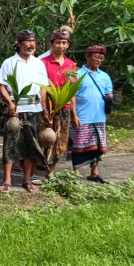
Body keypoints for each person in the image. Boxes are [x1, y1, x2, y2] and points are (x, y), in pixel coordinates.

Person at [0, 30, 50, 193]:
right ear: (19, 43)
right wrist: (10, 103)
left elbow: (43, 88)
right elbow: (1, 86)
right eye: (27, 41)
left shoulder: (39, 63)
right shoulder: (9, 62)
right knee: (10, 144)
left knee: (30, 145)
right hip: (14, 110)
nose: (31, 44)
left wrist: (44, 109)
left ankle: (27, 179)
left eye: (33, 40)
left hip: (34, 109)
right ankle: (7, 180)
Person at [41, 28, 78, 181]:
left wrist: (74, 113)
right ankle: (36, 170)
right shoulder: (43, 63)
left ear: (68, 45)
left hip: (65, 108)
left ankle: (51, 173)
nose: (61, 46)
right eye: (57, 42)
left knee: (60, 140)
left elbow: (72, 91)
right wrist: (43, 109)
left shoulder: (71, 65)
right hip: (49, 107)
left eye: (64, 43)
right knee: (45, 138)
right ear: (51, 44)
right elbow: (41, 88)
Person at [72, 45, 113, 183]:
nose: (98, 60)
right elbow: (73, 96)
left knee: (98, 147)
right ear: (87, 56)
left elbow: (108, 92)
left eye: (101, 58)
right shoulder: (77, 74)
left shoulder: (105, 76)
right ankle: (76, 175)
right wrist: (74, 115)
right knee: (79, 147)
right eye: (96, 57)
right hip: (83, 116)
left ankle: (94, 173)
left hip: (99, 117)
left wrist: (111, 97)